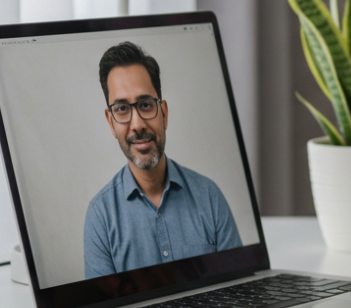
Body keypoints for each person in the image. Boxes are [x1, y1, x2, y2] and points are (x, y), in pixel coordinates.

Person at [84, 42, 241, 278]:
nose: (137, 124)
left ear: (164, 113)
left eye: (146, 105)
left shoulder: (209, 197)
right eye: (122, 109)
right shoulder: (100, 217)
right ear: (110, 122)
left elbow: (237, 292)